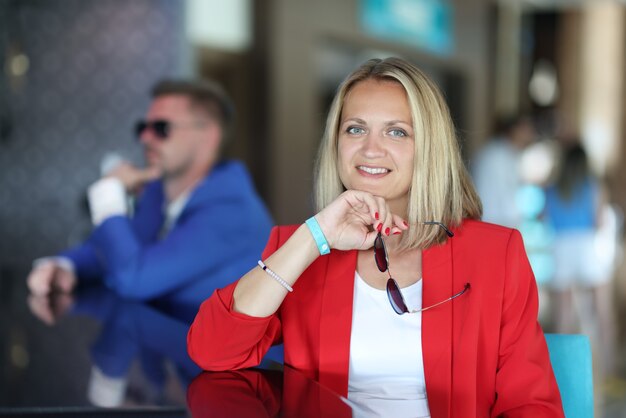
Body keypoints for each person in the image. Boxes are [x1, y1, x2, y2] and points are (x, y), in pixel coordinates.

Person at [187, 58, 563, 417]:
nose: (370, 148)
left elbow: (530, 405)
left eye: (397, 131)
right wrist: (315, 236)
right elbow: (212, 350)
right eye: (355, 128)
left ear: (429, 148)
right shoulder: (301, 249)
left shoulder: (495, 253)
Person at [26, 79, 273, 307]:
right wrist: (66, 265)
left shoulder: (231, 210)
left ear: (208, 136)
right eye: (143, 127)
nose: (145, 137)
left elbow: (134, 279)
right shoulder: (157, 192)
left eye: (161, 128)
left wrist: (108, 194)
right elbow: (118, 250)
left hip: (217, 352)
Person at [544, 141, 617, 375]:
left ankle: (559, 371)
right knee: (602, 310)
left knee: (563, 314)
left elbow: (544, 216)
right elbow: (600, 221)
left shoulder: (553, 186)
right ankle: (609, 368)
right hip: (587, 246)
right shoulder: (593, 185)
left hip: (561, 246)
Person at [472, 114, 536, 228]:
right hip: (494, 222)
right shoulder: (497, 155)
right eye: (526, 131)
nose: (529, 136)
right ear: (514, 131)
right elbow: (506, 200)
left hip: (494, 220)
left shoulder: (504, 153)